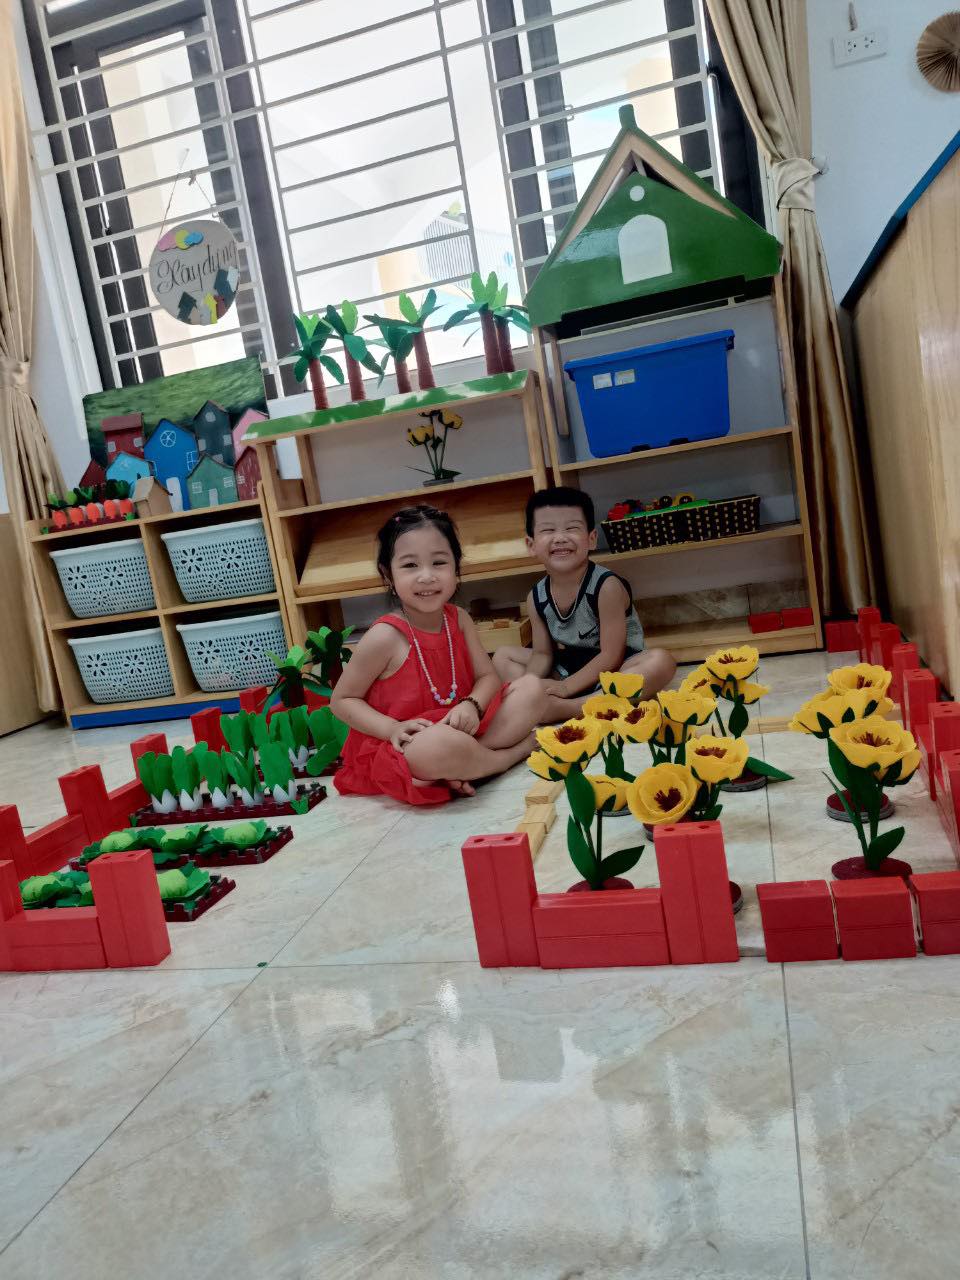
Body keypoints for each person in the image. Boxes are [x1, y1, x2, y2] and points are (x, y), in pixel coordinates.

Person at [332, 505, 548, 805]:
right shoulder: (385, 636)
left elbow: (487, 677)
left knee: (532, 689)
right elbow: (342, 700)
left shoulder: (458, 619)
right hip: (409, 744)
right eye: (410, 565)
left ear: (456, 568)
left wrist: (472, 704)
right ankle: (506, 757)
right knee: (435, 748)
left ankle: (464, 764)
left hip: (462, 726)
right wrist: (392, 728)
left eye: (439, 562)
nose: (427, 576)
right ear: (388, 574)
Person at [492, 486, 676, 721]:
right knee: (502, 656)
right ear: (531, 545)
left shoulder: (606, 586)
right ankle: (541, 701)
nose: (560, 538)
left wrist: (566, 687)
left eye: (572, 528)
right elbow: (542, 654)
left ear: (591, 539)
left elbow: (611, 655)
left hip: (618, 668)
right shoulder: (536, 596)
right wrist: (529, 684)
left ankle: (575, 707)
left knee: (661, 661)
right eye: (548, 530)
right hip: (571, 666)